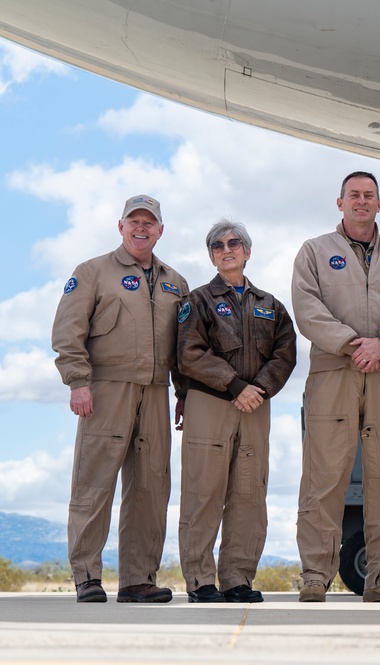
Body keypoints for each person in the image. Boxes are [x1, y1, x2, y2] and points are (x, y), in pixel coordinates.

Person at [292, 171, 380, 603]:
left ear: (379, 204)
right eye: (353, 195)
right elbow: (306, 306)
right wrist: (353, 344)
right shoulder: (314, 251)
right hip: (333, 371)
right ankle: (316, 574)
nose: (361, 201)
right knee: (324, 474)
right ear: (340, 203)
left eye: (368, 195)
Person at [52, 194, 188, 603]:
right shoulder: (91, 272)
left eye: (150, 223)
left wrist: (183, 393)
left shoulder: (175, 282)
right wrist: (78, 381)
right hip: (105, 390)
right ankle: (87, 576)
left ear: (160, 230)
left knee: (151, 488)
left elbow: (184, 346)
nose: (141, 228)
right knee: (94, 485)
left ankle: (138, 579)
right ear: (121, 226)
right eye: (135, 221)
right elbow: (68, 332)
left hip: (157, 392)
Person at [175, 219, 297, 603]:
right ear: (211, 256)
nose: (226, 249)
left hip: (256, 406)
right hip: (211, 402)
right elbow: (189, 353)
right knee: (203, 492)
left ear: (247, 251)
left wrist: (258, 389)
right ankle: (200, 581)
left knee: (249, 494)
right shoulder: (197, 301)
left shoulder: (270, 305)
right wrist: (234, 385)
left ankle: (237, 579)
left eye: (234, 243)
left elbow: (285, 353)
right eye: (217, 246)